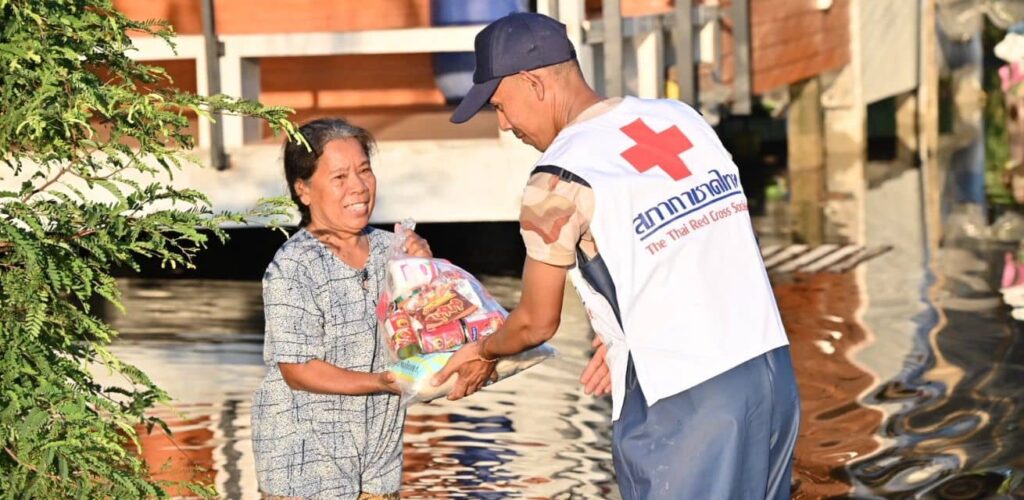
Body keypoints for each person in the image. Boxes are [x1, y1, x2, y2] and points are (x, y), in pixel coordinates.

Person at [434, 12, 801, 499]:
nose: (504, 124)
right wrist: (622, 334)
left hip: (685, 402)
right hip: (770, 373)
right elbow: (719, 239)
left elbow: (535, 324)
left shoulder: (556, 179)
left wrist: (482, 352)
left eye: (501, 105)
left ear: (533, 83)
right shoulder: (680, 118)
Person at [251, 118, 431, 499]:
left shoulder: (392, 250)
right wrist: (381, 381)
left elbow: (424, 338)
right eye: (340, 177)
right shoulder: (293, 266)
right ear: (303, 190)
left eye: (364, 170)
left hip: (378, 465)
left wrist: (425, 273)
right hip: (304, 470)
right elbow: (297, 370)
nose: (359, 186)